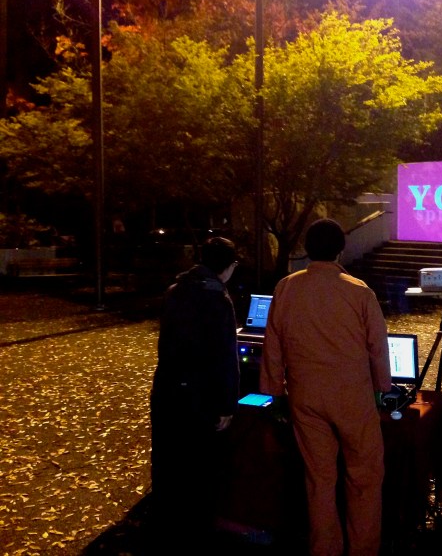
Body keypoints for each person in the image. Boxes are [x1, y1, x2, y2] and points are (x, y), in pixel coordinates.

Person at [260, 218, 391, 556]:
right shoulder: (359, 291)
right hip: (353, 399)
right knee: (364, 477)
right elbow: (378, 347)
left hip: (305, 397)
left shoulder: (286, 287)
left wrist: (275, 393)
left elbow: (272, 346)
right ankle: (363, 549)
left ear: (307, 248)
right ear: (340, 249)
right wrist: (383, 387)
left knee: (318, 480)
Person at [150, 236, 240, 545]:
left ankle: (165, 523)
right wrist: (227, 404)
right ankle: (195, 530)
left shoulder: (176, 291)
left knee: (168, 458)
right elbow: (226, 356)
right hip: (200, 394)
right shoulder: (218, 299)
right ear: (227, 267)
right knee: (200, 465)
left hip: (167, 387)